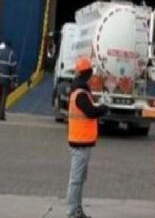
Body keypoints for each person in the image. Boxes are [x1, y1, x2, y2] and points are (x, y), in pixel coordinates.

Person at [66, 57, 108, 218]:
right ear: (87, 74)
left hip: (81, 141)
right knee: (76, 180)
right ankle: (73, 212)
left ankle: (76, 210)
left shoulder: (79, 91)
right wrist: (103, 109)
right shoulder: (81, 94)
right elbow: (90, 112)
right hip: (80, 142)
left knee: (79, 179)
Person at [0, 41, 17, 121]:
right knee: (4, 97)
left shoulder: (0, 53)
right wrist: (14, 81)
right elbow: (13, 69)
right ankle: (1, 114)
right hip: (6, 79)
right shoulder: (11, 54)